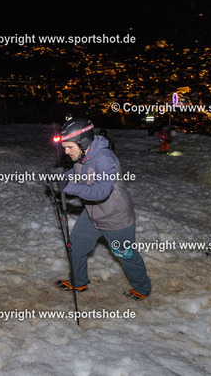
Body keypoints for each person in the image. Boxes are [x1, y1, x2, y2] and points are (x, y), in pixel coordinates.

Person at [54, 118, 151, 300]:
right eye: (64, 148)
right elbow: (78, 172)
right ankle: (78, 282)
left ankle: (142, 288)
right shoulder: (82, 156)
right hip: (93, 213)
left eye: (69, 147)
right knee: (76, 246)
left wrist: (69, 187)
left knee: (125, 255)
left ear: (83, 143)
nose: (66, 152)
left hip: (116, 218)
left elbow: (101, 191)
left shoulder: (106, 159)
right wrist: (61, 177)